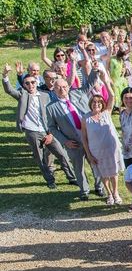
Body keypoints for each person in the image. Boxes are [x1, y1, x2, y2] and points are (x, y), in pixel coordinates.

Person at [2, 63, 76, 189]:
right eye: (27, 83)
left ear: (36, 83)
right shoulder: (22, 95)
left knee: (62, 154)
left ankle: (72, 178)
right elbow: (9, 90)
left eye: (32, 82)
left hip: (47, 130)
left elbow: (51, 115)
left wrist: (50, 133)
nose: (30, 85)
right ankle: (50, 180)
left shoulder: (45, 96)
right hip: (32, 132)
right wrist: (5, 75)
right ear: (24, 86)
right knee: (40, 159)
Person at [46, 66, 104, 201]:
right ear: (54, 90)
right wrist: (64, 141)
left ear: (68, 86)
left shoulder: (77, 93)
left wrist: (95, 71)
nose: (63, 89)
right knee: (79, 167)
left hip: (90, 138)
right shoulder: (51, 108)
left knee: (95, 163)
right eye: (59, 87)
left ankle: (99, 186)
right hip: (73, 142)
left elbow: (89, 84)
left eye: (65, 86)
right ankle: (84, 190)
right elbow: (52, 128)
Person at [80, 72, 125, 205]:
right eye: (94, 102)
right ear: (90, 104)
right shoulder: (85, 118)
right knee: (104, 174)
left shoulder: (107, 113)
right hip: (96, 151)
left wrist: (106, 81)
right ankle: (109, 193)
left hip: (111, 148)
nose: (96, 104)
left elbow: (112, 96)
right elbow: (84, 137)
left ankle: (116, 192)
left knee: (113, 172)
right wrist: (88, 153)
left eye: (99, 102)